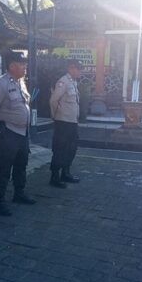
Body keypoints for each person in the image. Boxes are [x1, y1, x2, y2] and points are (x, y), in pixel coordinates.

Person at [0, 51, 36, 216]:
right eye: (22, 64)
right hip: (8, 132)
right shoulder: (0, 84)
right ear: (12, 66)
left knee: (21, 165)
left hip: (22, 133)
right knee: (4, 168)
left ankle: (19, 194)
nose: (25, 67)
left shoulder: (21, 82)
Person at [49, 59, 83, 188]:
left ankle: (65, 173)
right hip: (63, 122)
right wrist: (55, 116)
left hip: (72, 122)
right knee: (60, 149)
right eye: (78, 69)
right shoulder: (63, 82)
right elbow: (53, 100)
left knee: (71, 149)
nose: (80, 71)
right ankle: (54, 177)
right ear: (71, 68)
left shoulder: (73, 82)